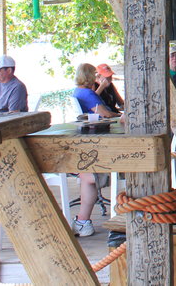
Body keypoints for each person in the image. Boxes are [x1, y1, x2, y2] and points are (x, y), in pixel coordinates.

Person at [70, 63, 119, 237]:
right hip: (102, 149)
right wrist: (120, 115)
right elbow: (105, 114)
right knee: (88, 175)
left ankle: (83, 222)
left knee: (86, 175)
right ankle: (83, 222)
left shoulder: (78, 92)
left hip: (90, 144)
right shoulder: (88, 93)